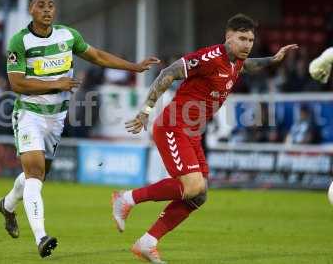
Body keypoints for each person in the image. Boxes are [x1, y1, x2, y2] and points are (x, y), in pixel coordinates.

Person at [112, 13, 297, 263]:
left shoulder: (237, 61)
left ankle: (147, 242)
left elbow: (249, 65)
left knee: (199, 196)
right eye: (242, 38)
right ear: (228, 37)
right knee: (192, 187)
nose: (247, 44)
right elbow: (168, 73)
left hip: (192, 133)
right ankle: (126, 198)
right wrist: (146, 110)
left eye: (251, 40)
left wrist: (273, 59)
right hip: (173, 126)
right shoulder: (210, 58)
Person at [0, 0, 159, 258]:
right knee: (35, 174)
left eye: (51, 5)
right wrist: (56, 84)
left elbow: (98, 56)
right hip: (29, 115)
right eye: (41, 5)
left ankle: (8, 205)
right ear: (31, 11)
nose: (47, 9)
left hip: (58, 117)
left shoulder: (68, 36)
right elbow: (16, 84)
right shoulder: (19, 41)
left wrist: (134, 67)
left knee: (35, 176)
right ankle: (41, 237)